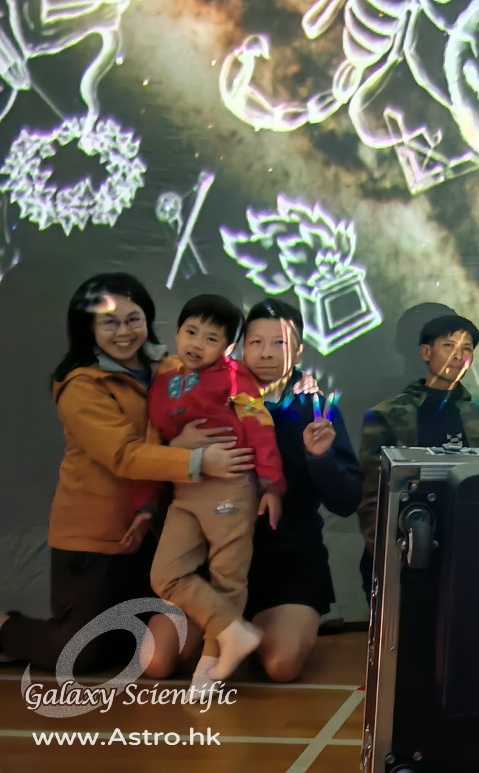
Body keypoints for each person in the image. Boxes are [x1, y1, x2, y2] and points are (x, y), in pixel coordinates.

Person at [0, 274, 251, 677]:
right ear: (88, 327)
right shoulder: (81, 384)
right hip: (98, 536)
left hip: (157, 532)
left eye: (133, 319)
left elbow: (221, 395)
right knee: (79, 656)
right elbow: (123, 455)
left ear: (147, 319)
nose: (124, 332)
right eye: (109, 322)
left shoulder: (171, 367)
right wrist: (194, 457)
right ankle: (5, 628)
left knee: (135, 644)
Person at [132, 294, 284, 687]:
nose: (197, 343)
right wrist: (147, 502)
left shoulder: (236, 378)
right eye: (191, 331)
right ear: (177, 331)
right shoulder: (164, 379)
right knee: (165, 575)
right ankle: (234, 631)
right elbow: (155, 442)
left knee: (227, 576)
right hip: (185, 491)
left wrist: (271, 485)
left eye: (211, 338)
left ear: (228, 347)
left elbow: (260, 430)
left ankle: (213, 661)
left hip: (230, 486)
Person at [239, 299, 361, 681]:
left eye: (279, 343)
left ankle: (260, 628)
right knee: (162, 657)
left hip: (289, 557)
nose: (266, 353)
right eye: (255, 342)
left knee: (282, 664)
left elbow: (346, 501)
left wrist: (320, 457)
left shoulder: (317, 408)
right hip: (218, 553)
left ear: (299, 350)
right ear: (241, 347)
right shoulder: (218, 397)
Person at [358, 313, 479, 594]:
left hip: (460, 552)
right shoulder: (387, 414)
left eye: (466, 349)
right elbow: (371, 494)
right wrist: (383, 551)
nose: (458, 356)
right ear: (426, 352)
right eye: (449, 346)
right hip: (400, 551)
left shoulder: (477, 416)